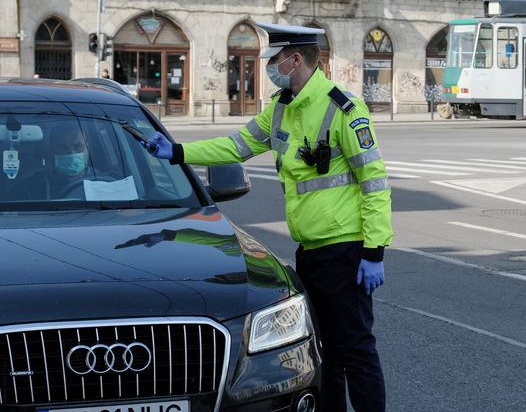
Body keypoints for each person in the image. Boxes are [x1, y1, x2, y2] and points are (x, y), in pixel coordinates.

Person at [144, 23, 392, 412]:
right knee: (324, 354)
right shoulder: (280, 109)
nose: (269, 67)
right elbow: (235, 146)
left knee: (355, 352)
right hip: (310, 252)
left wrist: (374, 251)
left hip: (346, 251)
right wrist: (178, 152)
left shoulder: (343, 109)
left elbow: (374, 183)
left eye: (274, 60)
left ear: (295, 60)